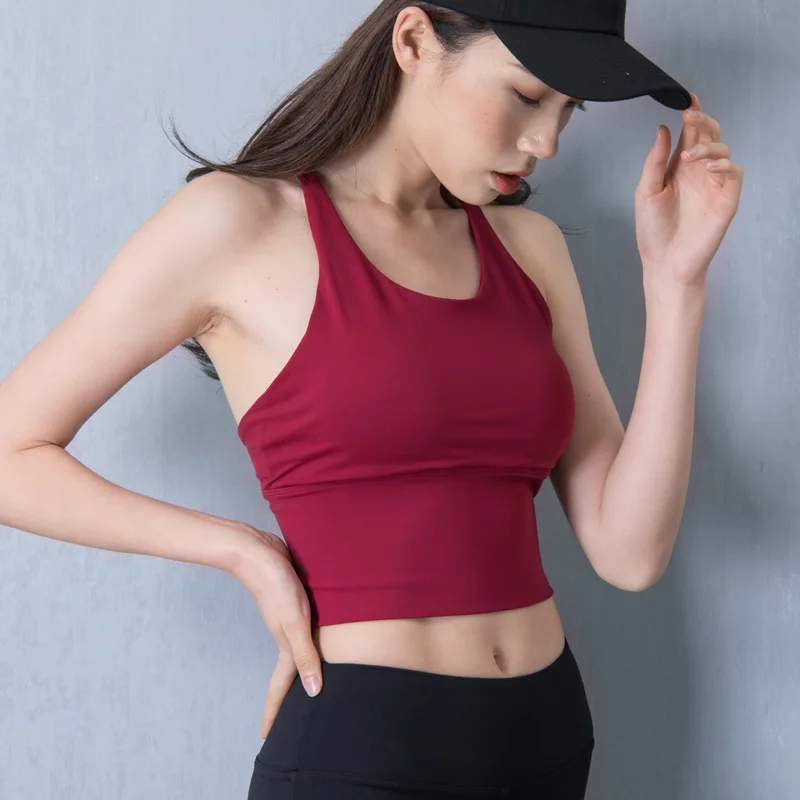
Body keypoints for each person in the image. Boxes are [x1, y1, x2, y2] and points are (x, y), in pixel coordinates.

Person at [0, 1, 743, 798]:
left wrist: (676, 285)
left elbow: (629, 554)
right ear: (414, 40)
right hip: (365, 747)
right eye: (527, 96)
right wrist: (241, 551)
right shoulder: (238, 221)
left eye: (569, 110)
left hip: (549, 732)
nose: (546, 142)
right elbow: (13, 452)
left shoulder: (531, 250)